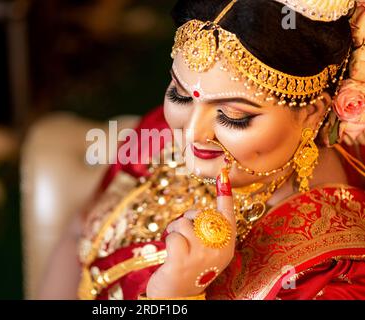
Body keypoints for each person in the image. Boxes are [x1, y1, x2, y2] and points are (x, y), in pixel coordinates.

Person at [40, 0, 365, 300]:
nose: (192, 133)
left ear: (312, 111)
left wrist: (173, 295)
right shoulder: (161, 132)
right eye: (181, 95)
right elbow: (77, 235)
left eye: (233, 116)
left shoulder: (338, 269)